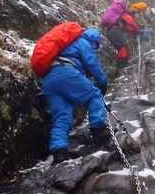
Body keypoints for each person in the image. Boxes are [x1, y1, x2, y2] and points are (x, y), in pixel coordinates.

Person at [42, 28, 111, 164]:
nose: (94, 48)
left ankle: (59, 152)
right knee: (94, 95)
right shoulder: (82, 42)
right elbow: (93, 64)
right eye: (95, 45)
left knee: (61, 117)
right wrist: (103, 83)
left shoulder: (67, 44)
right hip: (66, 74)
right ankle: (99, 131)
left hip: (50, 79)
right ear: (93, 40)